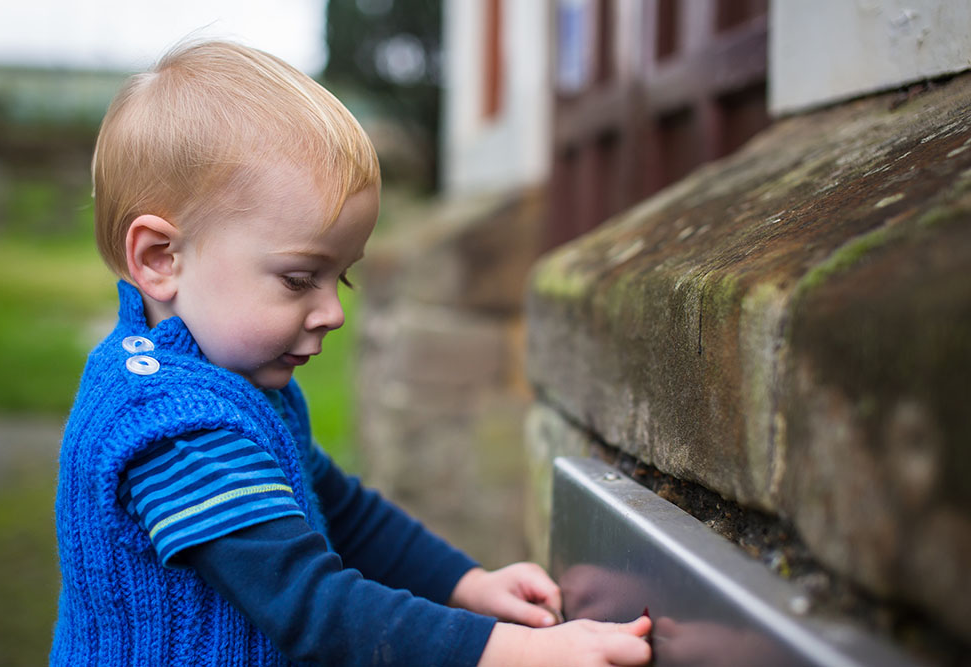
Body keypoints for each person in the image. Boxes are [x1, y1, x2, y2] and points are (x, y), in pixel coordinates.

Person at [51, 39, 652, 666]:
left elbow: (347, 512)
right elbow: (317, 609)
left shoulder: (235, 387)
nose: (334, 312)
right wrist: (512, 653)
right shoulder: (175, 429)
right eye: (297, 278)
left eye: (343, 277)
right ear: (159, 259)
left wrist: (467, 585)